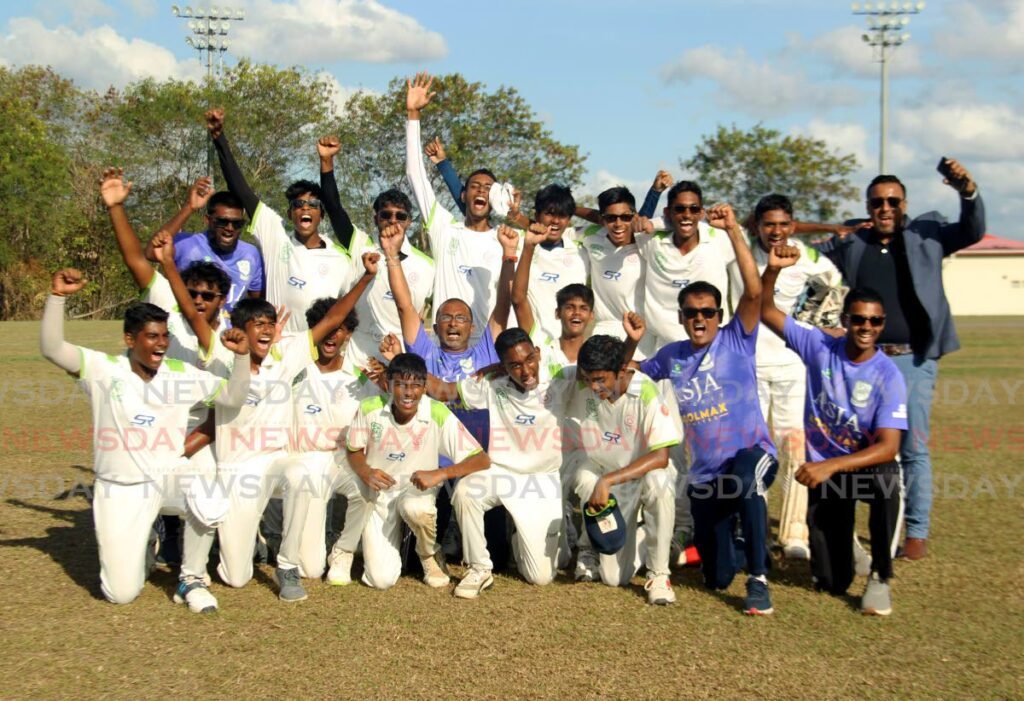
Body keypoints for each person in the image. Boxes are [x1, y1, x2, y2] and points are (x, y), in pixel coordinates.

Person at [171, 246, 379, 602]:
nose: (267, 330)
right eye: (258, 325)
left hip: (276, 460)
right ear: (240, 331)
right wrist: (165, 264)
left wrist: (367, 277)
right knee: (236, 577)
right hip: (235, 470)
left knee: (302, 474)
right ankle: (243, 545)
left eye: (271, 324)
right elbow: (192, 314)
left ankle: (286, 564)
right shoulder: (222, 354)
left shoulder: (286, 353)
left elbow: (332, 319)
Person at [40, 269, 252, 612]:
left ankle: (192, 578)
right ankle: (147, 537)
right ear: (129, 339)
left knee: (210, 497)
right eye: (152, 337)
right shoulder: (103, 369)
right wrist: (57, 297)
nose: (161, 344)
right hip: (120, 487)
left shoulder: (180, 374)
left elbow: (232, 400)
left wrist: (242, 359)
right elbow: (52, 348)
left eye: (165, 336)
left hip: (167, 475)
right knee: (121, 593)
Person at [814, 159, 985, 560]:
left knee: (911, 446)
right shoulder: (852, 242)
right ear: (868, 206)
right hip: (862, 361)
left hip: (913, 360)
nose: (885, 208)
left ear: (903, 204)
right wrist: (820, 229)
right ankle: (856, 527)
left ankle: (917, 532)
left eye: (893, 201)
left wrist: (967, 191)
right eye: (877, 202)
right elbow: (799, 252)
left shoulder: (929, 234)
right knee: (855, 443)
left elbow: (972, 230)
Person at [636, 203, 779, 615]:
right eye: (692, 313)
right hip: (705, 475)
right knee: (717, 575)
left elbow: (754, 292)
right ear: (681, 318)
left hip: (753, 454)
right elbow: (634, 373)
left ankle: (759, 581)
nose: (700, 319)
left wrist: (734, 229)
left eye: (708, 312)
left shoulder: (737, 339)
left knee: (746, 478)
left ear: (719, 316)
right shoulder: (671, 356)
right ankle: (737, 542)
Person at [761, 246, 908, 615]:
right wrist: (773, 271)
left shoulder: (889, 375)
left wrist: (829, 465)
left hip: (862, 469)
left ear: (882, 323)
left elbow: (888, 447)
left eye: (874, 322)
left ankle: (880, 576)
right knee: (830, 582)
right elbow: (764, 311)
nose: (866, 328)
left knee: (889, 479)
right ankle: (847, 552)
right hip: (829, 478)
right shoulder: (819, 345)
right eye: (858, 320)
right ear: (846, 319)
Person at [102, 167, 234, 567]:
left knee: (213, 487)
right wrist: (117, 208)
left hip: (203, 431)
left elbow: (223, 410)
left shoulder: (230, 336)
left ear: (222, 301)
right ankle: (156, 531)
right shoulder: (168, 313)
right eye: (192, 292)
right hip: (153, 423)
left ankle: (194, 550)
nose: (198, 300)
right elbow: (138, 259)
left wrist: (184, 448)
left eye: (208, 295)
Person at [731, 194, 845, 561]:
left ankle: (795, 532)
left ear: (792, 226)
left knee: (796, 445)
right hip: (748, 368)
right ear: (757, 227)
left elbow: (834, 287)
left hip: (794, 369)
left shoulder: (809, 258)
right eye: (768, 225)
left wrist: (818, 325)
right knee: (753, 451)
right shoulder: (742, 255)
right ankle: (755, 526)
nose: (776, 232)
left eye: (783, 224)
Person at [424, 328, 579, 598]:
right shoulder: (492, 381)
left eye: (529, 359)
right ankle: (479, 568)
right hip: (501, 472)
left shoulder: (559, 378)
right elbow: (444, 391)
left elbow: (595, 369)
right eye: (515, 365)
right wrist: (403, 363)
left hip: (541, 480)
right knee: (465, 491)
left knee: (539, 577)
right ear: (504, 366)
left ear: (538, 354)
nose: (526, 370)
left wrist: (632, 344)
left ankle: (532, 539)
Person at [344, 353, 490, 590]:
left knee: (415, 508)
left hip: (416, 492)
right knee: (380, 580)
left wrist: (440, 474)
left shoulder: (437, 411)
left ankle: (428, 555)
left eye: (415, 386)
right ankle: (387, 543)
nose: (408, 393)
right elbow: (353, 450)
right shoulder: (369, 407)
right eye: (401, 385)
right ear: (389, 383)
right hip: (380, 495)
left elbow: (481, 458)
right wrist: (365, 471)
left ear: (424, 388)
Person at [206, 108, 353, 332]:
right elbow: (242, 189)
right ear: (289, 214)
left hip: (317, 358)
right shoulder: (276, 239)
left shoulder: (341, 259)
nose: (305, 208)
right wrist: (219, 139)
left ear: (321, 215)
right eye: (298, 205)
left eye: (313, 205)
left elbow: (350, 312)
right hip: (276, 354)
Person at [572, 335, 680, 605]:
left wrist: (607, 480)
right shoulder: (588, 380)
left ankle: (659, 574)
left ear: (621, 371)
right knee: (613, 578)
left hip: (640, 477)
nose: (594, 387)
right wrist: (496, 366)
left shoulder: (646, 391)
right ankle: (595, 548)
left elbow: (661, 456)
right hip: (608, 481)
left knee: (660, 482)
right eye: (588, 379)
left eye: (600, 380)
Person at [280, 297, 379, 583]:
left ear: (348, 334)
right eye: (326, 328)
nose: (332, 336)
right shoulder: (294, 367)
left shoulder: (361, 375)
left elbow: (383, 417)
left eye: (341, 330)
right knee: (309, 570)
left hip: (343, 459)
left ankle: (344, 550)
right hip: (304, 461)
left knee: (368, 484)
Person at [317, 136, 436, 367]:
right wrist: (326, 164)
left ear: (409, 222)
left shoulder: (428, 265)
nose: (393, 220)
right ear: (376, 218)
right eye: (386, 215)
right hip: (360, 361)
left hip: (402, 361)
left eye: (400, 216)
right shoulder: (360, 245)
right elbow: (333, 208)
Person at [405, 73, 504, 341]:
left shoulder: (507, 241)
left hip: (487, 352)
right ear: (463, 195)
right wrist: (413, 114)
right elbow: (415, 174)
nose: (481, 190)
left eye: (488, 188)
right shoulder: (444, 228)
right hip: (443, 348)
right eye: (474, 186)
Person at [147, 178, 264, 313]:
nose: (230, 228)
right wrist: (189, 207)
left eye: (237, 223)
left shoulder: (251, 254)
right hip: (187, 327)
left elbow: (258, 304)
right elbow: (152, 252)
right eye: (222, 222)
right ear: (208, 220)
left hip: (228, 332)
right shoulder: (187, 244)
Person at [578, 187, 647, 348]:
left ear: (634, 217)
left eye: (625, 217)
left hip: (641, 333)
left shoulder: (648, 242)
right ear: (602, 219)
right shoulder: (591, 237)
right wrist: (570, 208)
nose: (618, 224)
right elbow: (549, 231)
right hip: (603, 331)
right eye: (611, 218)